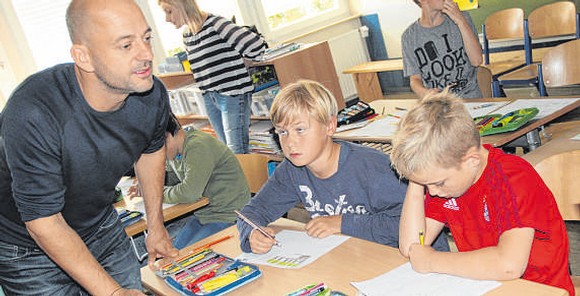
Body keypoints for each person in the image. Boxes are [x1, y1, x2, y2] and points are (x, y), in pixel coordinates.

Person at [0, 0, 178, 295]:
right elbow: (44, 222)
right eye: (125, 45)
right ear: (83, 56)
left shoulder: (150, 93)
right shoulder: (33, 112)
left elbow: (150, 150)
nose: (146, 55)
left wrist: (155, 225)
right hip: (28, 250)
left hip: (100, 227)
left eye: (147, 38)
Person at [389, 90, 574, 296]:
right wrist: (416, 181)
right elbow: (411, 247)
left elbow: (508, 265)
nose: (432, 192)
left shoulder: (512, 178)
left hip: (538, 290)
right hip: (484, 285)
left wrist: (432, 260)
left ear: (471, 160)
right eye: (427, 185)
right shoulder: (445, 186)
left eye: (437, 183)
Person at [236, 80, 449, 254]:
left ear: (330, 126)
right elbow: (252, 212)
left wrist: (344, 223)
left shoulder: (373, 168)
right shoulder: (292, 170)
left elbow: (416, 226)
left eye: (300, 130)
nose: (290, 142)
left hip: (409, 257)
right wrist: (252, 233)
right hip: (358, 255)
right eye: (282, 132)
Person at [158, 0, 267, 154]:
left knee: (237, 152)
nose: (167, 19)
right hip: (210, 98)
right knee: (226, 153)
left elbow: (256, 44)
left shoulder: (216, 24)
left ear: (182, 5)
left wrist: (245, 61)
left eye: (169, 11)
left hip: (232, 95)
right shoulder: (187, 35)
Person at [163, 112, 251, 249]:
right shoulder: (175, 151)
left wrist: (155, 193)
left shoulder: (197, 146)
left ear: (167, 137)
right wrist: (151, 184)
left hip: (229, 216)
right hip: (204, 215)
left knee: (186, 259)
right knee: (173, 254)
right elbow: (174, 178)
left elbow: (189, 193)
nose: (157, 156)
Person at [402, 0, 483, 99]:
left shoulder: (463, 18)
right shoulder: (409, 37)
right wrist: (424, 93)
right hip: (438, 104)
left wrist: (461, 21)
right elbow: (414, 79)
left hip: (470, 100)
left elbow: (477, 61)